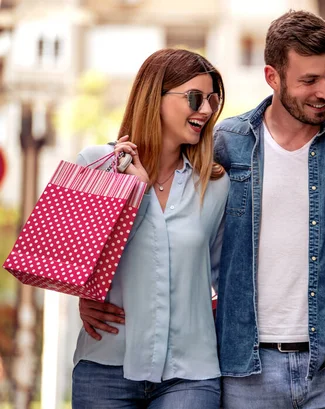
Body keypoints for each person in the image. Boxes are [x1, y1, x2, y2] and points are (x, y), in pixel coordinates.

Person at [81, 10, 325, 409]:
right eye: (309, 80)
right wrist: (93, 291)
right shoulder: (225, 145)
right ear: (272, 77)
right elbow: (168, 232)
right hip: (245, 371)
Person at [73, 48, 229, 409]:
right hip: (106, 364)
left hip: (190, 374)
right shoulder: (96, 167)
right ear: (153, 97)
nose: (205, 110)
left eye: (212, 100)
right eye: (194, 97)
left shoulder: (216, 185)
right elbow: (71, 261)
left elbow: (227, 280)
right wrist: (135, 190)